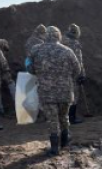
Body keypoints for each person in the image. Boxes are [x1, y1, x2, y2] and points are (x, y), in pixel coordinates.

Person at [29, 26, 81, 155]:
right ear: (59, 36)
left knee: (52, 120)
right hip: (65, 91)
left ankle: (54, 148)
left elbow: (30, 69)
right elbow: (77, 70)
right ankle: (64, 142)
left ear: (46, 35)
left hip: (46, 92)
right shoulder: (67, 50)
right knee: (64, 117)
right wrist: (67, 78)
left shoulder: (36, 49)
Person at [61, 23, 87, 124]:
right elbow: (78, 61)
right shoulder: (74, 43)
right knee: (74, 95)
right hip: (72, 74)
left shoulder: (61, 41)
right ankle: (71, 118)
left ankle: (62, 117)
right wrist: (82, 74)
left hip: (59, 73)